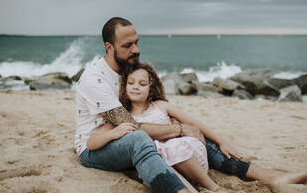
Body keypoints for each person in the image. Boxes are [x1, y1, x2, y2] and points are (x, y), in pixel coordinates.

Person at [75, 17, 307, 193]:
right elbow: (132, 126)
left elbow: (153, 106)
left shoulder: (129, 69)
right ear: (109, 47)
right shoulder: (94, 79)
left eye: (137, 42)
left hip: (127, 137)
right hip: (95, 148)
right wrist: (178, 129)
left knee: (196, 138)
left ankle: (272, 178)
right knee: (144, 138)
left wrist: (216, 138)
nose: (136, 50)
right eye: (128, 45)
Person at [88, 63, 220, 192]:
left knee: (172, 149)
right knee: (157, 158)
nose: (135, 87)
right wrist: (113, 133)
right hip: (163, 166)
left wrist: (222, 142)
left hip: (188, 157)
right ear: (124, 86)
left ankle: (213, 187)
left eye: (142, 84)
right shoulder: (122, 117)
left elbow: (193, 123)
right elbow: (91, 143)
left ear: (151, 87)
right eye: (131, 83)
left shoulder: (161, 106)